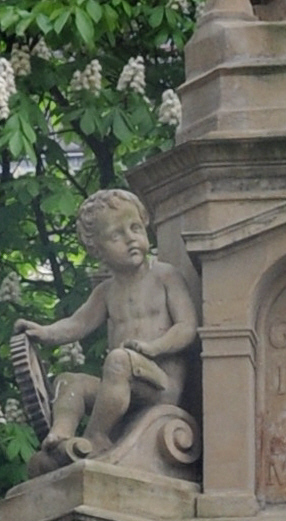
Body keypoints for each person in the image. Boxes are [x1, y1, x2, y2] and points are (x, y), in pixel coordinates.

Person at [16, 188, 197, 469]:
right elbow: (77, 324)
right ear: (97, 250)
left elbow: (187, 327)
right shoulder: (106, 291)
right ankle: (61, 436)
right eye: (116, 235)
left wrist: (154, 347)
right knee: (69, 381)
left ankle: (96, 436)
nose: (130, 239)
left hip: (161, 384)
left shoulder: (164, 276)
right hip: (123, 381)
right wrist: (44, 333)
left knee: (118, 360)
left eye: (135, 228)